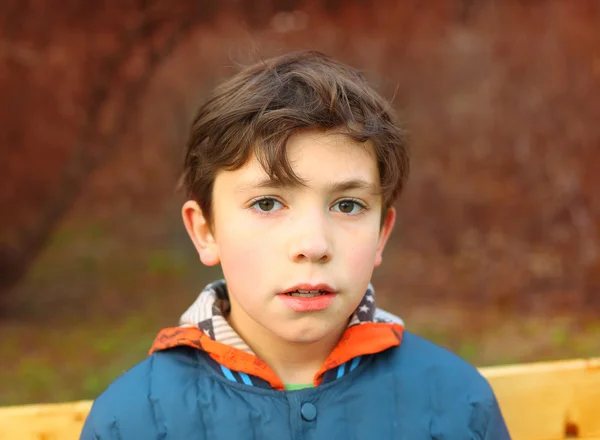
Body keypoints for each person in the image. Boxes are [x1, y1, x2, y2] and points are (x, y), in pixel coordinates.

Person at [80, 51, 510, 439]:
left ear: (382, 233)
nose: (313, 245)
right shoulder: (130, 422)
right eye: (267, 203)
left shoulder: (458, 405)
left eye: (347, 204)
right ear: (205, 230)